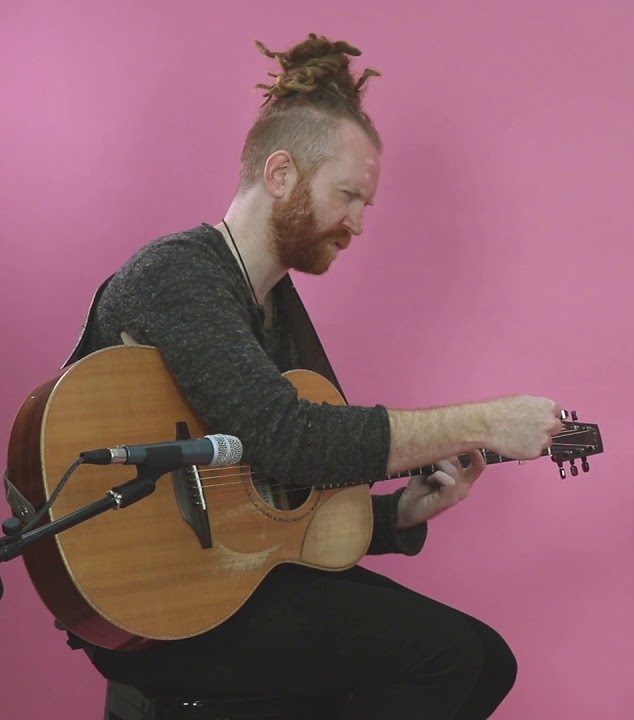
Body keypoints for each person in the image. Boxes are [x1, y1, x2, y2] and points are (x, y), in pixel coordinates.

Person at [67, 34, 563, 720]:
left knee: (486, 660)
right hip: (157, 597)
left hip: (234, 577)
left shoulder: (277, 311)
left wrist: (397, 517)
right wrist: (486, 421)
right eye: (347, 195)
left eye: (365, 204)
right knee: (445, 657)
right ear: (281, 174)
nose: (357, 222)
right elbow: (286, 439)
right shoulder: (179, 274)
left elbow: (275, 502)